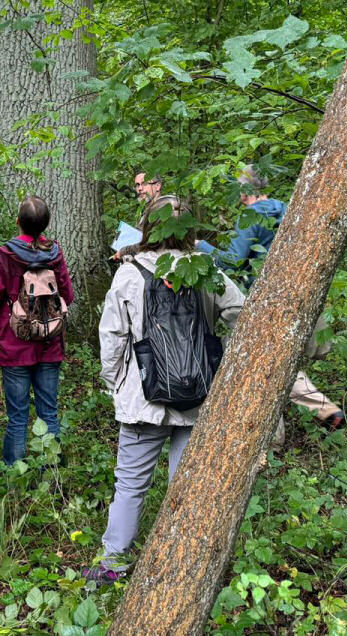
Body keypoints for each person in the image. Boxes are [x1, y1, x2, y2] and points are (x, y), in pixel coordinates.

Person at [86, 195, 245, 584]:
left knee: (131, 484)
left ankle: (113, 564)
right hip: (197, 396)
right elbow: (243, 313)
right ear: (191, 229)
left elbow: (112, 339)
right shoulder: (207, 271)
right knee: (187, 484)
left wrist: (115, 384)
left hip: (142, 400)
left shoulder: (129, 273)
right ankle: (183, 567)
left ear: (146, 226)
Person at [207, 165, 346, 434]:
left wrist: (203, 247)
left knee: (256, 361)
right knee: (273, 361)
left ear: (245, 189)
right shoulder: (287, 209)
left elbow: (233, 262)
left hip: (265, 302)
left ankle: (283, 431)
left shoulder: (251, 215)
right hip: (294, 296)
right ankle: (315, 414)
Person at [0, 195, 75, 465]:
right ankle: (51, 474)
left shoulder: (3, 256)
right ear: (45, 224)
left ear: (18, 222)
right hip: (49, 341)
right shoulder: (54, 254)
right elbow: (68, 294)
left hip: (14, 345)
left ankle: (15, 477)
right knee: (49, 414)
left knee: (18, 416)